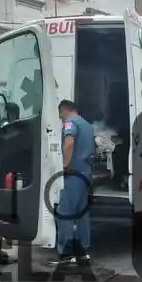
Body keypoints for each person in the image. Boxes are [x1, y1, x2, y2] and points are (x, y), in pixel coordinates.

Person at [51, 99, 94, 267]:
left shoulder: (70, 124)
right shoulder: (88, 125)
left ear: (64, 110)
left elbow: (69, 144)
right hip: (85, 174)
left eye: (60, 114)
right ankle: (83, 252)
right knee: (81, 212)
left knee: (65, 212)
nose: (60, 117)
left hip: (73, 174)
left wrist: (64, 166)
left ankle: (67, 253)